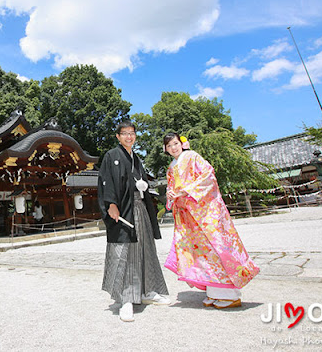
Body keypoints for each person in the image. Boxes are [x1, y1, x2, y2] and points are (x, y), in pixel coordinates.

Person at [163, 133, 259, 309]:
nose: (173, 148)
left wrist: (185, 190)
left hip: (205, 212)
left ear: (181, 144)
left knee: (217, 247)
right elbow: (171, 187)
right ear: (165, 149)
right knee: (200, 252)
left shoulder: (192, 156)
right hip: (187, 214)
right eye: (169, 146)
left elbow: (208, 175)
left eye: (175, 143)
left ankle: (230, 294)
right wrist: (170, 194)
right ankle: (214, 292)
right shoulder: (171, 167)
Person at [98, 120, 170, 322]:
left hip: (140, 208)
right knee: (125, 254)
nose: (129, 137)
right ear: (118, 137)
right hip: (123, 211)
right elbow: (106, 181)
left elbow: (142, 181)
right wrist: (111, 204)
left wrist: (143, 185)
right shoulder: (112, 156)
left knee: (146, 249)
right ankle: (126, 299)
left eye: (132, 133)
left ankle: (147, 291)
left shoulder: (136, 158)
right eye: (125, 133)